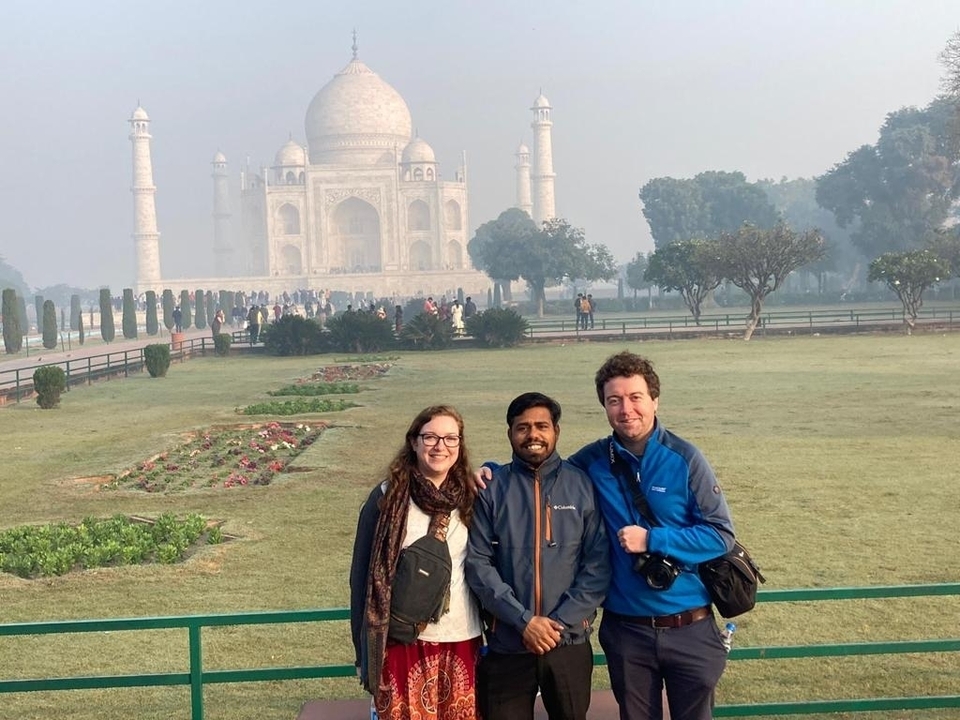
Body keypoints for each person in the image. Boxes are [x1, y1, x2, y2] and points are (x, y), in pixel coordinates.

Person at [566, 351, 736, 720]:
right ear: (605, 407)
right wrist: (490, 470)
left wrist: (653, 540)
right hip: (627, 632)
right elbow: (544, 474)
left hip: (690, 626)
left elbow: (720, 535)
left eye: (635, 397)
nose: (626, 409)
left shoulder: (685, 458)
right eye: (614, 400)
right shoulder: (591, 461)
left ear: (655, 400)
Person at [466, 392, 610, 720]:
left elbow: (598, 563)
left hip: (568, 642)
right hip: (508, 644)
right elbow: (478, 562)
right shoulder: (492, 489)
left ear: (556, 431)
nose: (533, 435)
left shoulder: (581, 485)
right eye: (523, 427)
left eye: (542, 426)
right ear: (510, 433)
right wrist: (524, 621)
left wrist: (557, 624)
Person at [350, 405, 483, 720]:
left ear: (460, 445)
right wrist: (364, 650)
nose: (441, 447)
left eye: (451, 438)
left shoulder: (472, 496)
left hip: (462, 635)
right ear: (414, 442)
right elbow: (362, 579)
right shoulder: (387, 498)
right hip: (401, 641)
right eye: (431, 437)